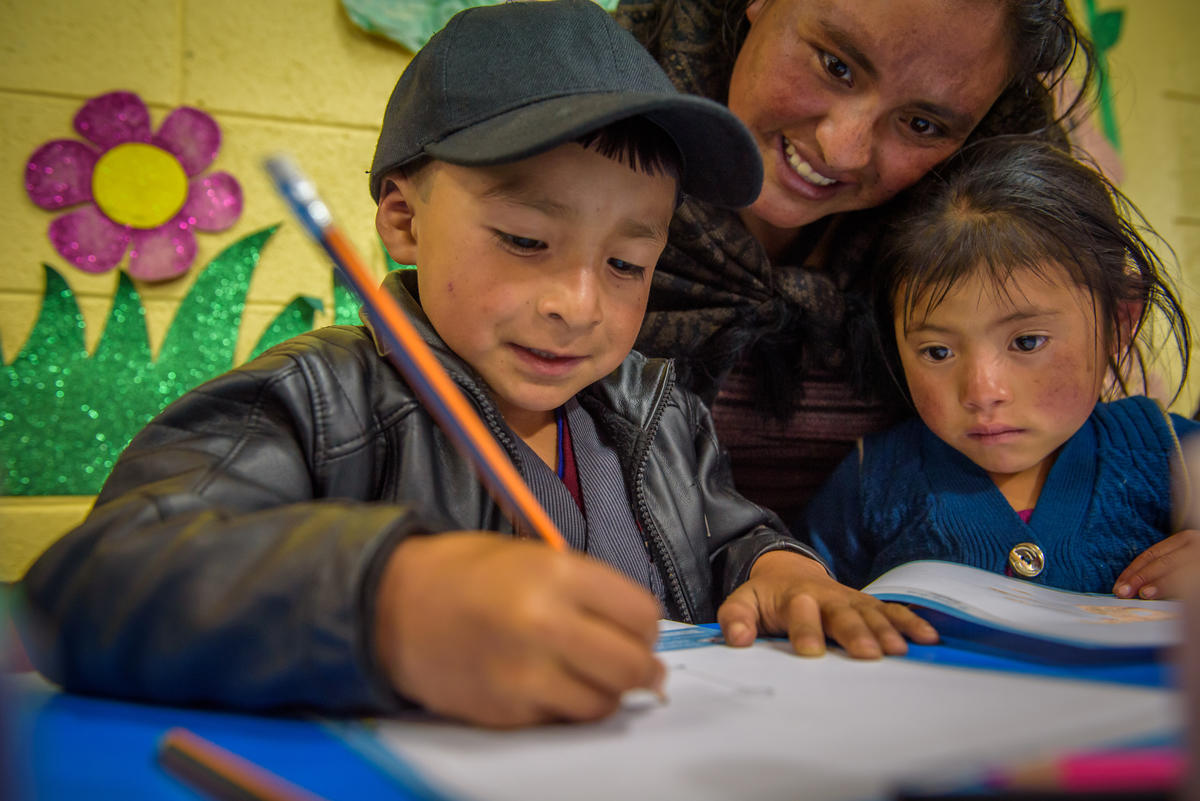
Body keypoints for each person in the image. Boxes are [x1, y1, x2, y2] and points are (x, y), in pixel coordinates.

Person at [15, 0, 937, 729]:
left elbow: (728, 536)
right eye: (527, 238)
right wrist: (387, 606)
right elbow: (88, 585)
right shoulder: (316, 402)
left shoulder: (660, 410)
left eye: (627, 263)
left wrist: (779, 569)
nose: (579, 304)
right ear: (404, 217)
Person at [614, 0, 1097, 521]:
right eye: (836, 66)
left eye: (921, 123)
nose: (842, 149)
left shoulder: (994, 236)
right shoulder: (566, 148)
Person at [800, 137, 1195, 595]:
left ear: (1119, 323)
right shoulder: (875, 480)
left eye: (1027, 342)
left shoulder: (1169, 454)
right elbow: (808, 589)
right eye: (937, 352)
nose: (983, 391)